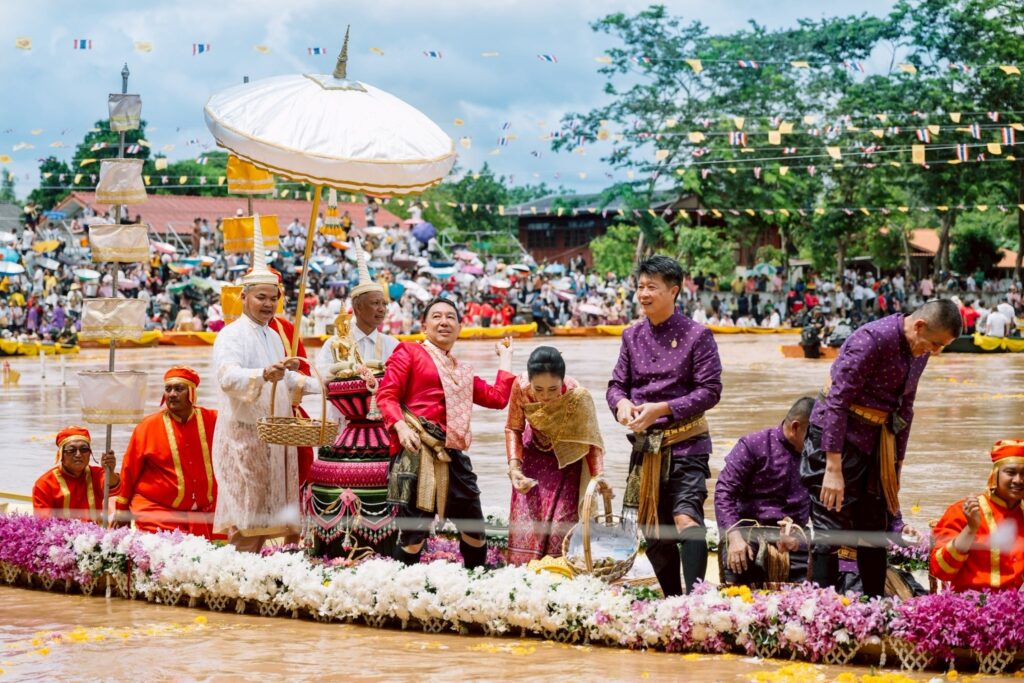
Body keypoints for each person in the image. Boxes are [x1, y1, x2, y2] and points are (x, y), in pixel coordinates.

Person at [802, 299, 962, 596]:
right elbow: (838, 400)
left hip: (878, 444)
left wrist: (896, 468)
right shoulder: (872, 340)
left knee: (874, 528)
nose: (936, 351)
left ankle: (875, 606)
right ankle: (822, 612)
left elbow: (906, 409)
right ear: (919, 325)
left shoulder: (920, 351)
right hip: (837, 440)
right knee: (829, 528)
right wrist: (833, 468)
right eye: (935, 343)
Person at [607, 255, 723, 596]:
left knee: (686, 519)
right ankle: (673, 601)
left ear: (674, 291)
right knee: (652, 531)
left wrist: (663, 409)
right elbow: (615, 385)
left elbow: (710, 391)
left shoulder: (698, 335)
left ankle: (695, 600)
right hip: (646, 448)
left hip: (688, 444)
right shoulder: (631, 336)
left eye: (652, 287)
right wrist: (622, 404)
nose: (644, 294)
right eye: (640, 287)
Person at [376, 297, 515, 569]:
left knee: (474, 529)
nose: (444, 321)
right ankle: (400, 589)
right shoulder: (408, 352)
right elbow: (386, 395)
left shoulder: (461, 372)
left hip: (453, 455)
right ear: (424, 325)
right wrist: (401, 427)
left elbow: (498, 398)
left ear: (459, 327)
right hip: (417, 452)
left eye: (450, 317)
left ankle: (475, 584)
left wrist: (506, 358)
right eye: (437, 316)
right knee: (414, 534)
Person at [211, 214, 321, 552]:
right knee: (246, 513)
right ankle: (235, 577)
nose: (268, 304)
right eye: (261, 297)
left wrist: (327, 381)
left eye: (273, 298)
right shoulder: (231, 335)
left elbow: (288, 379)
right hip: (243, 436)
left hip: (273, 440)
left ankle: (252, 576)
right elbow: (228, 377)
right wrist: (262, 375)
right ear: (243, 297)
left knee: (268, 516)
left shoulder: (275, 335)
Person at [504, 346, 607, 565]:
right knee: (527, 522)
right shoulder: (520, 387)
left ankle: (561, 576)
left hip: (567, 459)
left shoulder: (576, 394)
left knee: (562, 524)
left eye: (553, 389)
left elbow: (591, 439)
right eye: (539, 389)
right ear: (530, 381)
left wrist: (599, 478)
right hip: (533, 456)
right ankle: (523, 576)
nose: (546, 397)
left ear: (563, 381)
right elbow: (514, 428)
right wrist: (514, 469)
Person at [714, 397, 814, 586]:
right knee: (739, 564)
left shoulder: (819, 457)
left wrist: (797, 535)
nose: (819, 443)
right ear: (795, 427)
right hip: (750, 533)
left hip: (794, 538)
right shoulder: (753, 444)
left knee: (819, 570)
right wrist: (734, 537)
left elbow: (822, 506)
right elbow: (724, 492)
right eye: (814, 435)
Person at [113, 367, 219, 538]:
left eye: (178, 389)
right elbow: (129, 470)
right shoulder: (147, 427)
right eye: (168, 389)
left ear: (192, 392)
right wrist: (122, 509)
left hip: (206, 509)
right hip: (158, 511)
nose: (172, 394)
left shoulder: (214, 420)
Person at [930, 439, 1024, 592]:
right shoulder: (961, 510)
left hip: (1015, 605)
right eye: (1011, 472)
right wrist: (971, 528)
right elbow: (941, 571)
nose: (1019, 480)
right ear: (995, 474)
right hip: (969, 606)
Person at [33, 426, 119, 523]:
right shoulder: (44, 484)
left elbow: (114, 488)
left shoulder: (97, 474)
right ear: (61, 455)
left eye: (84, 449)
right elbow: (43, 524)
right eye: (71, 450)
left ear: (90, 453)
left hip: (97, 535)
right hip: (60, 536)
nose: (78, 454)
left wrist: (110, 471)